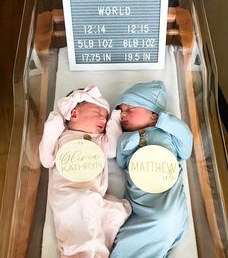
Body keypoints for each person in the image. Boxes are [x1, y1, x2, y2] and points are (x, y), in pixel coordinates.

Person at [39, 84, 131, 258]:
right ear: (74, 114)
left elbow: (113, 150)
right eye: (98, 114)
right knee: (82, 209)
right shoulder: (63, 137)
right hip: (67, 195)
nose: (103, 120)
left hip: (94, 196)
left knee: (116, 213)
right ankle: (83, 252)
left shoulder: (100, 141)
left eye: (106, 117)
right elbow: (46, 160)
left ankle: (94, 251)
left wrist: (114, 121)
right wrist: (52, 127)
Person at [110, 80, 193, 258]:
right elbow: (121, 160)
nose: (122, 115)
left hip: (165, 200)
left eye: (129, 109)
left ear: (153, 114)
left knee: (162, 220)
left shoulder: (168, 134)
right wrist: (136, 137)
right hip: (141, 204)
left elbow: (186, 148)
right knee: (126, 240)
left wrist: (164, 120)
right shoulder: (128, 138)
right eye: (121, 110)